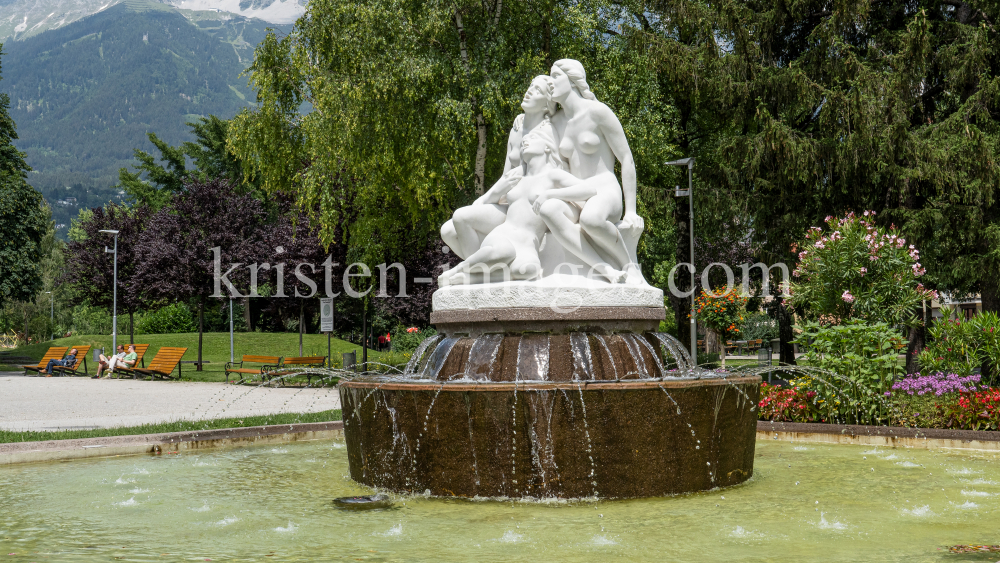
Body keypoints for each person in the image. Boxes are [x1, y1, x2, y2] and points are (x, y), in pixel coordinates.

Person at [536, 59, 645, 284]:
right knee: (548, 209)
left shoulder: (598, 112)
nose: (551, 82)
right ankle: (604, 269)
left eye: (556, 76)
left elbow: (626, 158)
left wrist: (631, 210)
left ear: (573, 80)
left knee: (591, 219)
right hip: (576, 193)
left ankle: (629, 266)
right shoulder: (555, 122)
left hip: (604, 189)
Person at [439, 116, 582, 285]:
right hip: (504, 235)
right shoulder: (518, 176)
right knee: (503, 251)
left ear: (547, 147)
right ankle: (458, 270)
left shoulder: (553, 175)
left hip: (528, 243)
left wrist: (550, 195)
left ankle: (471, 278)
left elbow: (588, 189)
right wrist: (500, 188)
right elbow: (487, 201)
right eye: (524, 141)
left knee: (529, 270)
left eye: (532, 139)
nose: (525, 142)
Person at [440, 75, 561, 259]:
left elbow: (535, 174)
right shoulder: (517, 128)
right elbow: (506, 176)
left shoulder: (547, 131)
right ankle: (486, 270)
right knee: (448, 231)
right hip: (506, 202)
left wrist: (487, 198)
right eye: (531, 86)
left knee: (461, 217)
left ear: (546, 105)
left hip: (522, 212)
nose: (529, 91)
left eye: (537, 91)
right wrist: (491, 197)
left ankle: (478, 275)